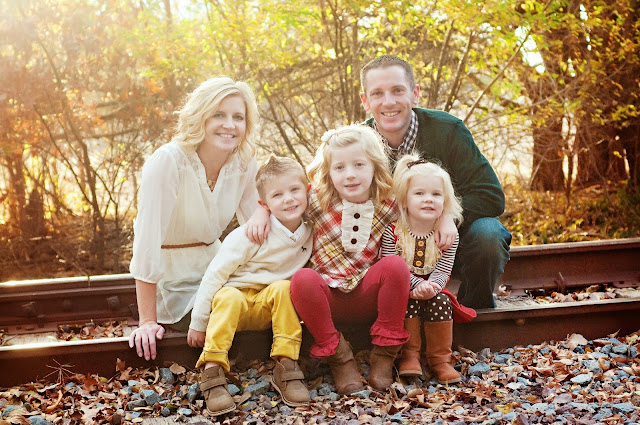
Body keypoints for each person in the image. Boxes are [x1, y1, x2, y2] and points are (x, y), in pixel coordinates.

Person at [359, 55, 512, 309]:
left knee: (488, 235)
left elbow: (491, 195)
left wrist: (447, 214)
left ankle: (473, 310)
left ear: (415, 94)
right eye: (377, 93)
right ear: (365, 101)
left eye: (398, 90)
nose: (388, 102)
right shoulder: (358, 143)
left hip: (446, 245)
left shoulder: (448, 131)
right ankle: (381, 315)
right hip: (390, 249)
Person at [128, 76, 264, 361]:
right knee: (230, 311)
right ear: (200, 116)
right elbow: (146, 242)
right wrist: (147, 321)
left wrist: (265, 210)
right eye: (219, 114)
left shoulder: (244, 161)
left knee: (266, 304)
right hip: (174, 281)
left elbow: (258, 226)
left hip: (218, 269)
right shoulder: (168, 161)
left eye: (238, 117)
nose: (230, 125)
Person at [289, 124, 410, 394]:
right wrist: (262, 214)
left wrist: (445, 218)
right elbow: (280, 204)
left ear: (375, 166)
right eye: (340, 168)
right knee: (302, 279)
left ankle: (384, 355)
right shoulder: (316, 200)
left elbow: (427, 207)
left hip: (368, 295)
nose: (350, 175)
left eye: (359, 165)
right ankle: (340, 358)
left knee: (395, 266)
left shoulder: (389, 203)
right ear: (328, 172)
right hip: (327, 300)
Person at [186, 155, 313, 415]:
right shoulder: (250, 234)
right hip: (236, 305)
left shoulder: (311, 228)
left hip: (269, 306)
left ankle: (287, 365)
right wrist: (198, 322)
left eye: (294, 190)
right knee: (229, 296)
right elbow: (214, 276)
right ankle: (212, 369)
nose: (288, 199)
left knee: (283, 288)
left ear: (308, 191)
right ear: (264, 204)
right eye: (277, 195)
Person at [381, 154, 475, 384]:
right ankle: (410, 356)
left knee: (441, 301)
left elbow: (444, 269)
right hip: (401, 287)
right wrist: (416, 286)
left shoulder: (447, 234)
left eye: (436, 194)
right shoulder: (393, 232)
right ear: (404, 200)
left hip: (434, 287)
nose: (428, 200)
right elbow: (390, 263)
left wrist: (431, 286)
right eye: (419, 194)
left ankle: (440, 360)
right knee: (406, 300)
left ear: (445, 201)